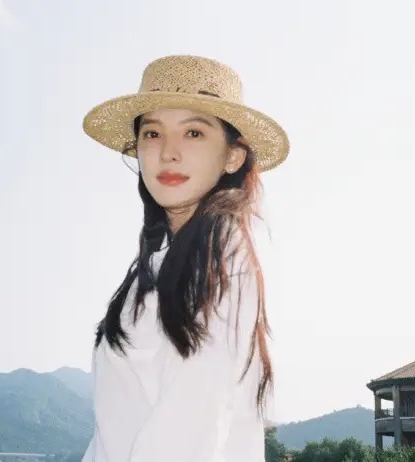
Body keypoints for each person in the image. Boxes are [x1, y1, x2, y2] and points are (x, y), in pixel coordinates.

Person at [80, 55, 289, 462]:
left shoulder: (223, 258)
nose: (168, 152)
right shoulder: (159, 265)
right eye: (152, 133)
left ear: (232, 156)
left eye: (193, 132)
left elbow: (190, 428)